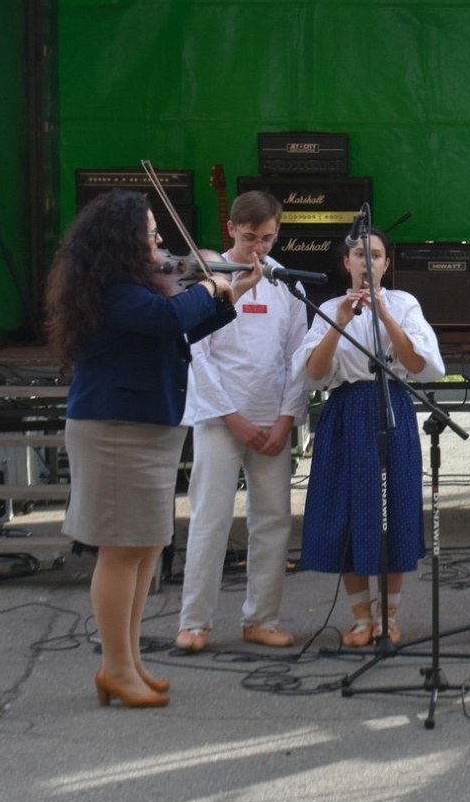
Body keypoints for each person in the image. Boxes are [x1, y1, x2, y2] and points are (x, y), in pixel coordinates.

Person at [48, 191, 256, 708]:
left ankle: (128, 661)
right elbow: (170, 318)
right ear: (122, 240)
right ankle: (116, 667)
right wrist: (208, 284)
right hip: (116, 429)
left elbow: (178, 331)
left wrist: (230, 294)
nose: (161, 242)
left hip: (146, 426)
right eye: (151, 233)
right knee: (122, 550)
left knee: (143, 547)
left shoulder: (137, 289)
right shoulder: (114, 290)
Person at [294, 226, 445, 647]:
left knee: (394, 507)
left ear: (385, 263)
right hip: (346, 410)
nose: (367, 261)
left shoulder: (404, 303)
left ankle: (388, 616)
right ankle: (361, 617)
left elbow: (421, 365)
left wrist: (387, 316)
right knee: (348, 508)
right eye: (359, 255)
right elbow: (313, 373)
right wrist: (339, 323)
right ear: (347, 262)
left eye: (375, 255)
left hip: (391, 404)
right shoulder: (329, 307)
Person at [176, 191, 309, 652]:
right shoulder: (210, 281)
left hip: (272, 417)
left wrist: (286, 419)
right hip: (220, 417)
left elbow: (298, 358)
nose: (258, 248)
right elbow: (197, 354)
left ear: (278, 232)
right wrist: (231, 417)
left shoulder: (287, 284)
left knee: (273, 520)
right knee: (210, 519)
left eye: (268, 238)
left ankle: (261, 619)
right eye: (250, 237)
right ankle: (195, 622)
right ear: (231, 229)